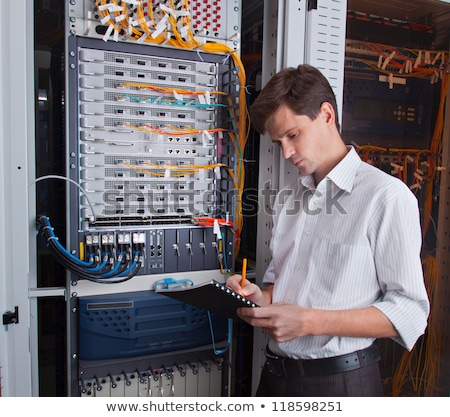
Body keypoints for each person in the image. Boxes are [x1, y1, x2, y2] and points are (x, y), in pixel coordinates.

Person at [226, 64, 430, 397]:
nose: (286, 152)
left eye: (292, 135)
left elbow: (410, 313)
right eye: (279, 142)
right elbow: (281, 287)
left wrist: (312, 322)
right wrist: (258, 297)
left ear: (326, 115)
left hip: (341, 383)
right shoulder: (289, 197)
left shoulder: (386, 196)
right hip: (274, 376)